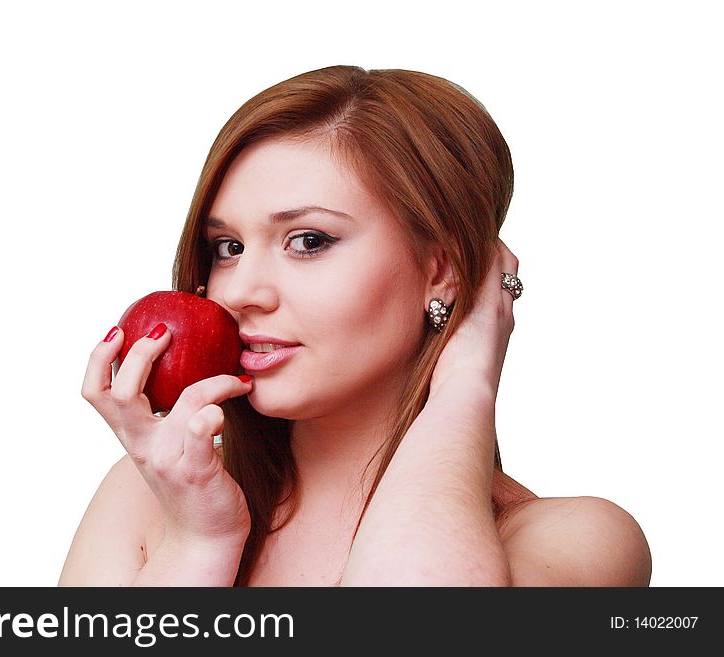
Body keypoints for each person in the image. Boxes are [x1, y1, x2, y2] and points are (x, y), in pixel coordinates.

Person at [59, 65, 652, 587]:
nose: (237, 292)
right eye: (228, 247)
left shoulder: (575, 539)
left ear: (440, 270)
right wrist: (198, 545)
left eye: (308, 241)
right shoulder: (150, 500)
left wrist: (470, 372)